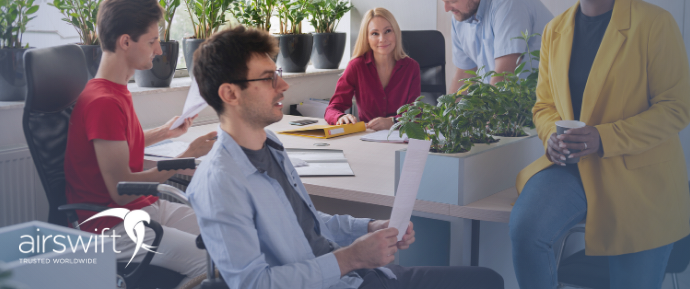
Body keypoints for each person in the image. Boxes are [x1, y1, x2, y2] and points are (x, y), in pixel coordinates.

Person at [187, 26, 503, 289]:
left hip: (357, 277)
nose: (284, 85)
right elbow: (254, 284)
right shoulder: (220, 183)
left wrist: (368, 228)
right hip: (342, 278)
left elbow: (311, 223)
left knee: (487, 279)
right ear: (230, 94)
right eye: (268, 78)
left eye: (278, 73)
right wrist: (351, 258)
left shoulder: (269, 145)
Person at [509, 0, 690, 289]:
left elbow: (675, 109)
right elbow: (543, 105)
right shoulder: (556, 30)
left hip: (635, 173)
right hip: (571, 167)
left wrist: (601, 138)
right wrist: (550, 138)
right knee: (526, 231)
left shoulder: (654, 24)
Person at [64, 0, 217, 284]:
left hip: (142, 208)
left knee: (230, 237)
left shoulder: (114, 89)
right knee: (211, 261)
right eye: (151, 41)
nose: (158, 50)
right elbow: (121, 190)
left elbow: (120, 144)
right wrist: (183, 158)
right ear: (125, 42)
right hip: (113, 227)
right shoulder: (103, 102)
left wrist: (165, 132)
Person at [436, 0, 553, 93]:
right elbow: (464, 74)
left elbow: (504, 76)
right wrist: (447, 112)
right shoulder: (460, 15)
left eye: (452, 1)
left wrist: (489, 113)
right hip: (512, 101)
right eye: (443, 1)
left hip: (546, 100)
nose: (446, 9)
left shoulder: (508, 2)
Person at [324, 8, 421, 131]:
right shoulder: (356, 66)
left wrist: (392, 122)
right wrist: (340, 117)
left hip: (401, 135)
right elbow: (332, 109)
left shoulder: (411, 67)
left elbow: (415, 113)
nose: (382, 39)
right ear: (367, 38)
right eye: (375, 33)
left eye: (388, 31)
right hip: (368, 137)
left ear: (396, 32)